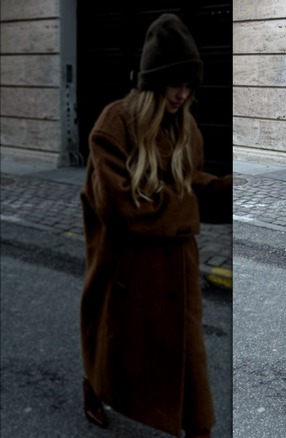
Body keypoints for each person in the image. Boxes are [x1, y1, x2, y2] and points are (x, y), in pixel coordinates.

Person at [79, 13, 231, 438]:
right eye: (174, 83)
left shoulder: (186, 128)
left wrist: (224, 192)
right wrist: (188, 206)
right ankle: (92, 388)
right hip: (125, 271)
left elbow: (191, 184)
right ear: (152, 81)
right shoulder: (114, 123)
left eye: (189, 84)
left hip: (178, 273)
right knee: (113, 347)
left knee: (190, 372)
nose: (183, 94)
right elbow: (118, 204)